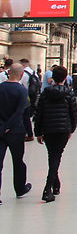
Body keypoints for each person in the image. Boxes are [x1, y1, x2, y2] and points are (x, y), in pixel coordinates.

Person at [33, 64, 77, 203]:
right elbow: (73, 113)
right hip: (63, 129)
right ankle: (48, 189)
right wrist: (72, 129)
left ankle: (56, 184)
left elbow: (39, 113)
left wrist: (38, 132)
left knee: (52, 155)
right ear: (65, 78)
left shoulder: (45, 93)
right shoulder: (69, 93)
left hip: (48, 129)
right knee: (56, 156)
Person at [0, 63, 32, 202]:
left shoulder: (0, 88)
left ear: (8, 73)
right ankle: (20, 188)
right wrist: (9, 126)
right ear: (21, 75)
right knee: (18, 161)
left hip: (0, 130)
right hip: (16, 131)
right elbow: (20, 112)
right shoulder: (22, 90)